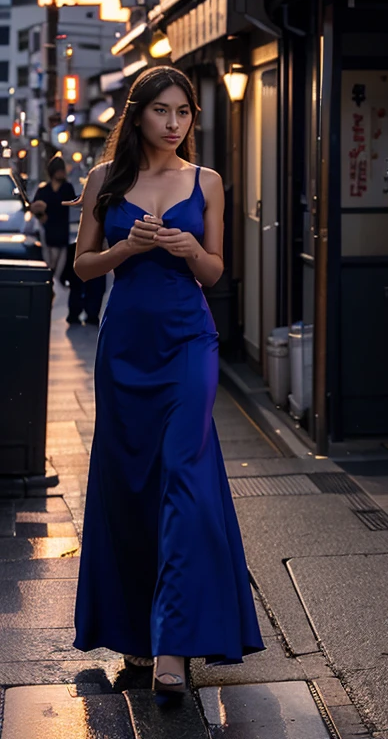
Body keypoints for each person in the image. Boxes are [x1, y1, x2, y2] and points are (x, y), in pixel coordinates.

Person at [70, 65, 263, 696]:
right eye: (162, 111)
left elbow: (213, 272)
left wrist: (184, 248)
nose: (175, 122)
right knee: (130, 480)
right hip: (125, 346)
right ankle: (138, 639)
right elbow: (83, 267)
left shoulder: (206, 181)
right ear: (139, 114)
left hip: (189, 343)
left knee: (182, 474)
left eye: (184, 112)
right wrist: (128, 250)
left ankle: (176, 643)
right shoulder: (106, 179)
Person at [30, 156, 76, 288]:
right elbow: (34, 207)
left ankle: (54, 286)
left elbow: (74, 202)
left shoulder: (67, 188)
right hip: (47, 231)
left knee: (59, 264)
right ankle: (50, 286)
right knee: (49, 262)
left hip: (62, 231)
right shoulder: (43, 190)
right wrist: (41, 215)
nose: (61, 173)